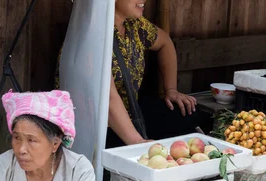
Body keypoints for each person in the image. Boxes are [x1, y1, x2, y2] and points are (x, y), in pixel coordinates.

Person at [57, 0, 199, 146]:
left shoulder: (135, 25)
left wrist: (171, 89)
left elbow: (165, 43)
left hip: (131, 112)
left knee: (186, 115)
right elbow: (108, 98)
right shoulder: (91, 33)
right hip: (94, 128)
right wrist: (138, 142)